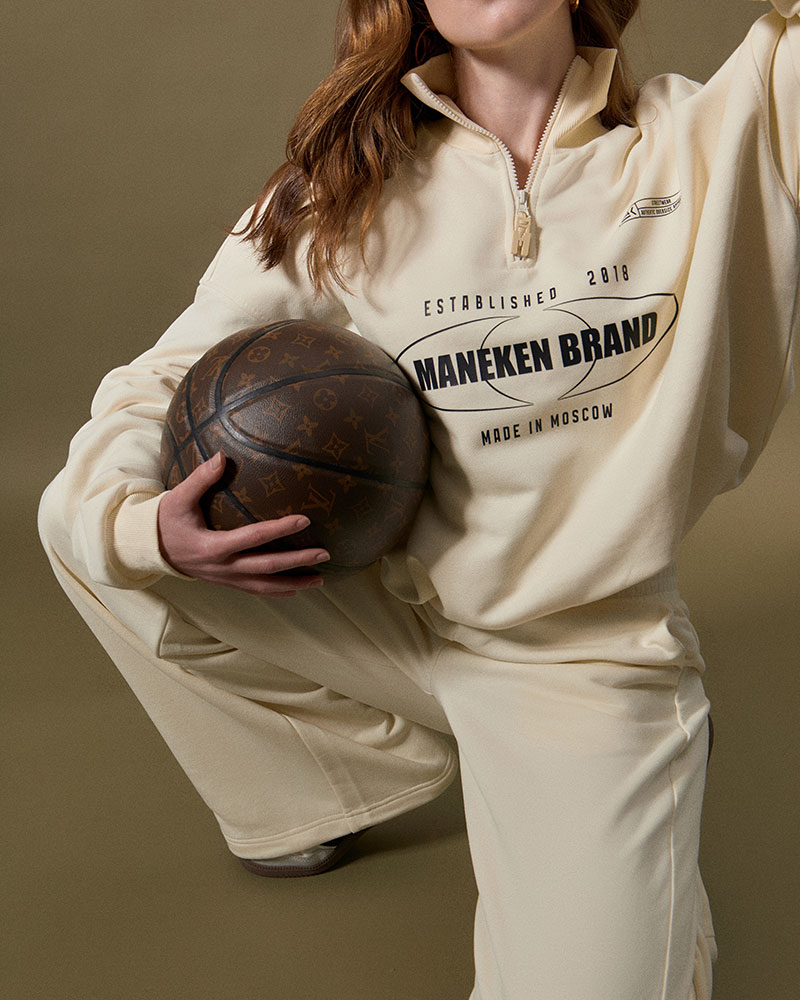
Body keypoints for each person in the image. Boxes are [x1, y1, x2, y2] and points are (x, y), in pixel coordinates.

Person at [38, 1, 798, 997]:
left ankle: (633, 815)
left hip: (584, 660)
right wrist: (144, 529)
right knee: (89, 529)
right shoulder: (348, 184)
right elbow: (157, 382)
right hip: (400, 609)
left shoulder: (718, 135)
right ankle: (316, 790)